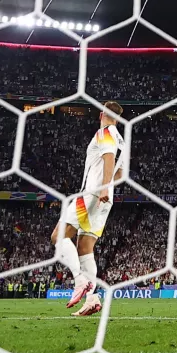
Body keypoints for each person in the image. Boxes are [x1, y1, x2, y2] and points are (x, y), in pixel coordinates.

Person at [51, 101, 124, 317]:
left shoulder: (105, 132)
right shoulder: (122, 141)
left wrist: (101, 187)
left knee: (58, 236)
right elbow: (120, 174)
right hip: (106, 198)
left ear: (102, 114)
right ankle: (92, 299)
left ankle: (79, 280)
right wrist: (107, 188)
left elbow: (109, 158)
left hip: (93, 192)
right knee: (85, 247)